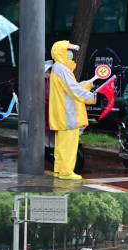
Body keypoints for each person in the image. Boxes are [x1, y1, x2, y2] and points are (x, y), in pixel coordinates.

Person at [48, 41, 97, 180]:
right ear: (60, 52)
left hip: (62, 114)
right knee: (68, 145)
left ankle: (59, 170)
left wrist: (87, 84)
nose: (70, 53)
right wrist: (91, 96)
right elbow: (73, 89)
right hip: (67, 114)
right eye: (68, 50)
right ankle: (66, 172)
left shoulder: (58, 68)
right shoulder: (62, 69)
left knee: (61, 145)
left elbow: (72, 87)